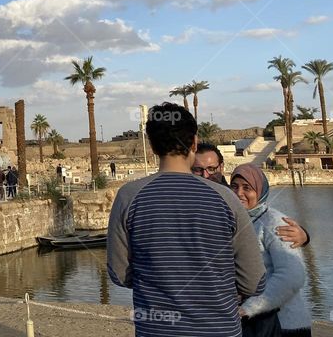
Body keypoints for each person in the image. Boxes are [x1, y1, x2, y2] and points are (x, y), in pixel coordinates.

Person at [107, 103, 265, 337]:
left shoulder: (129, 197)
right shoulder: (226, 199)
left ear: (152, 146)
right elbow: (254, 282)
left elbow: (119, 273)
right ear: (194, 142)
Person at [230, 164, 312, 337]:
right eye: (235, 186)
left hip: (284, 324)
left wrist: (249, 308)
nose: (239, 193)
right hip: (253, 323)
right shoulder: (236, 220)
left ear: (260, 190)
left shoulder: (275, 222)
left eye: (247, 188)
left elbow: (292, 276)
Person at [194, 142, 310, 248]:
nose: (205, 175)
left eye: (211, 169)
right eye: (198, 169)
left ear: (221, 167)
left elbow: (262, 216)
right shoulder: (184, 198)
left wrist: (303, 236)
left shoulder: (233, 196)